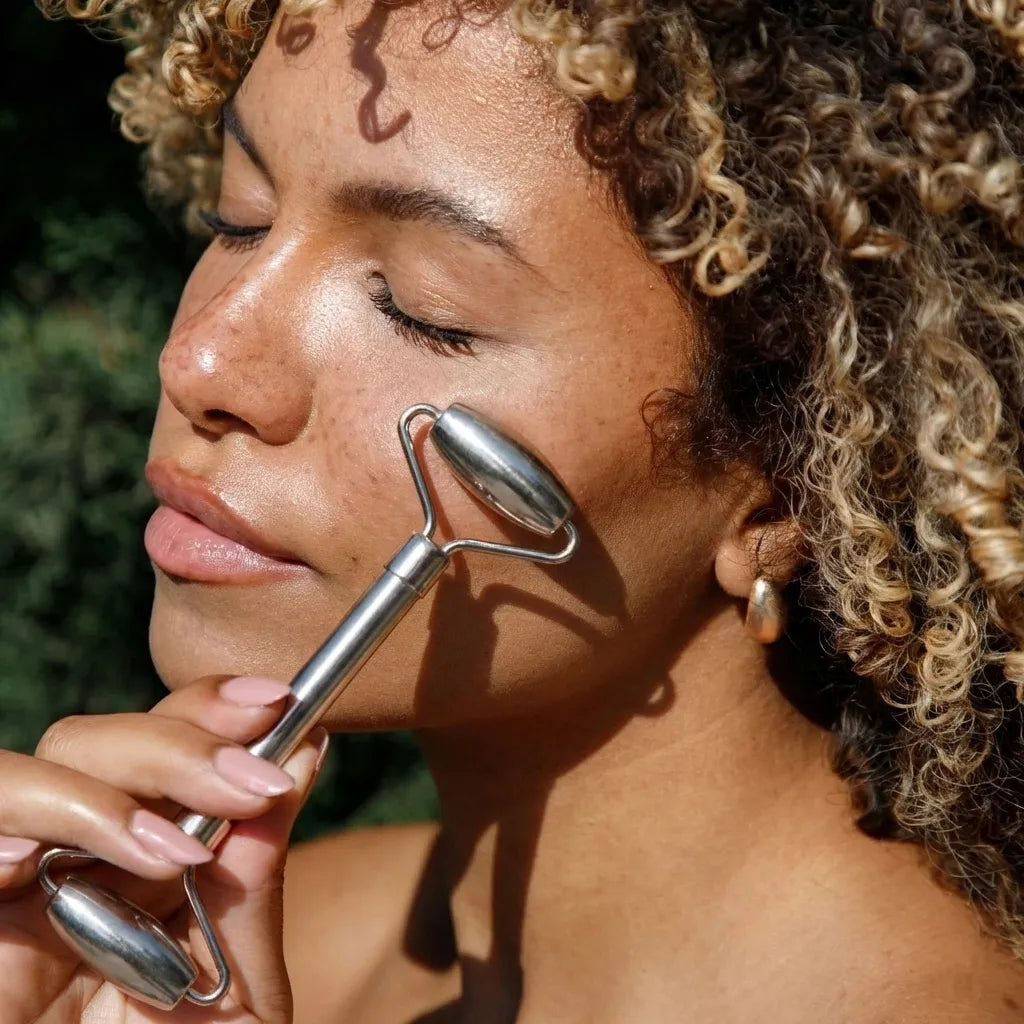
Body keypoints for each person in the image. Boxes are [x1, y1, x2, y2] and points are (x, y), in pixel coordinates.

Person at [3, 0, 1024, 1019]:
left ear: (791, 474)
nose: (202, 360)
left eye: (420, 307)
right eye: (240, 218)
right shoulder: (261, 941)